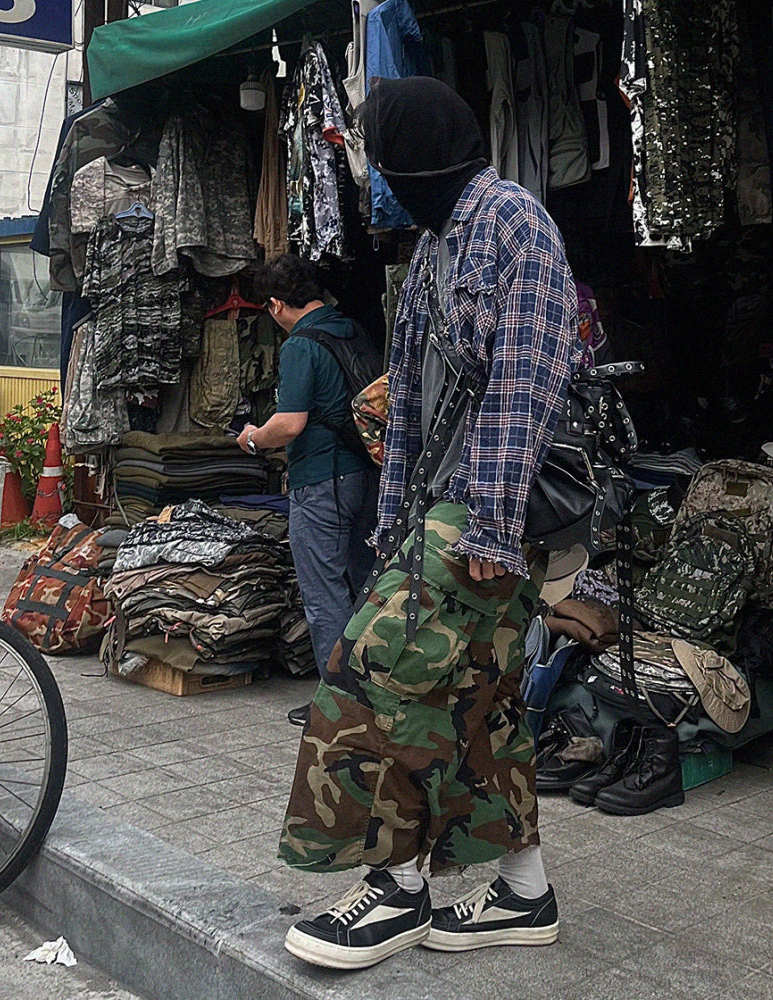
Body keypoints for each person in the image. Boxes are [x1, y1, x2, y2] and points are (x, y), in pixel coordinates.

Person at [278, 77, 579, 971]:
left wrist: (486, 528)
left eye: (389, 172)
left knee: (373, 672)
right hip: (439, 513)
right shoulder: (438, 242)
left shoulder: (515, 226)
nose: (383, 190)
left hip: (496, 515)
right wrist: (394, 521)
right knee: (477, 702)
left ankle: (393, 888)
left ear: (418, 168)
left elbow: (526, 386)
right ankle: (524, 893)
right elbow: (405, 402)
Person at [237, 255, 378, 723]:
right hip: (365, 473)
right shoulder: (352, 328)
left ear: (277, 305)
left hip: (321, 480)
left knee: (323, 594)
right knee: (365, 583)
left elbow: (290, 423)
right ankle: (376, 693)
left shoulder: (300, 345)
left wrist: (254, 438)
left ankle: (339, 705)